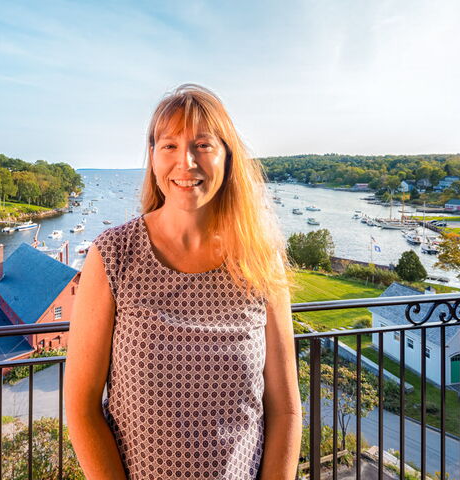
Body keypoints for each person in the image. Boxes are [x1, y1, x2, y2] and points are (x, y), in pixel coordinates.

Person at [64, 84, 301, 479]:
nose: (185, 162)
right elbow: (82, 406)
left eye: (203, 145)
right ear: (153, 157)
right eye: (169, 146)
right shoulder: (113, 255)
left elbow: (285, 409)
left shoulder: (260, 260)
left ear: (227, 157)